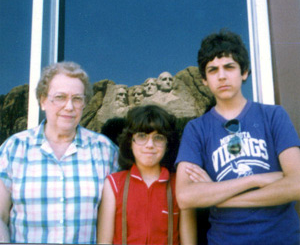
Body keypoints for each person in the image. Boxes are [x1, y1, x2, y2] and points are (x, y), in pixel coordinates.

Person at [175, 30, 300, 245]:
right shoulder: (196, 129)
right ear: (204, 80)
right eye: (213, 70)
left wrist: (220, 197)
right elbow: (186, 197)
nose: (221, 76)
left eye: (229, 67)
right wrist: (255, 179)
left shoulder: (273, 116)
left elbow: (296, 184)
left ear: (244, 72)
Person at [0, 61, 119, 244]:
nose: (69, 107)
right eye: (60, 97)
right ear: (43, 101)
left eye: (77, 99)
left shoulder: (105, 151)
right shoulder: (13, 149)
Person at [97, 105, 196, 245]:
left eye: (158, 137)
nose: (150, 145)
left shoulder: (179, 184)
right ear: (130, 142)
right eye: (142, 136)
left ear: (168, 145)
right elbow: (104, 241)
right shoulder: (114, 184)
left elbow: (189, 242)